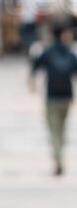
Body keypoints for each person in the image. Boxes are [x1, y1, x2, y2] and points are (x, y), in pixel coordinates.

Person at [30, 21, 77, 176]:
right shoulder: (70, 53)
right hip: (66, 96)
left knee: (54, 130)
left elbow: (35, 67)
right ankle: (59, 154)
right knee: (61, 129)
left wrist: (31, 84)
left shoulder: (48, 51)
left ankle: (57, 158)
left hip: (52, 97)